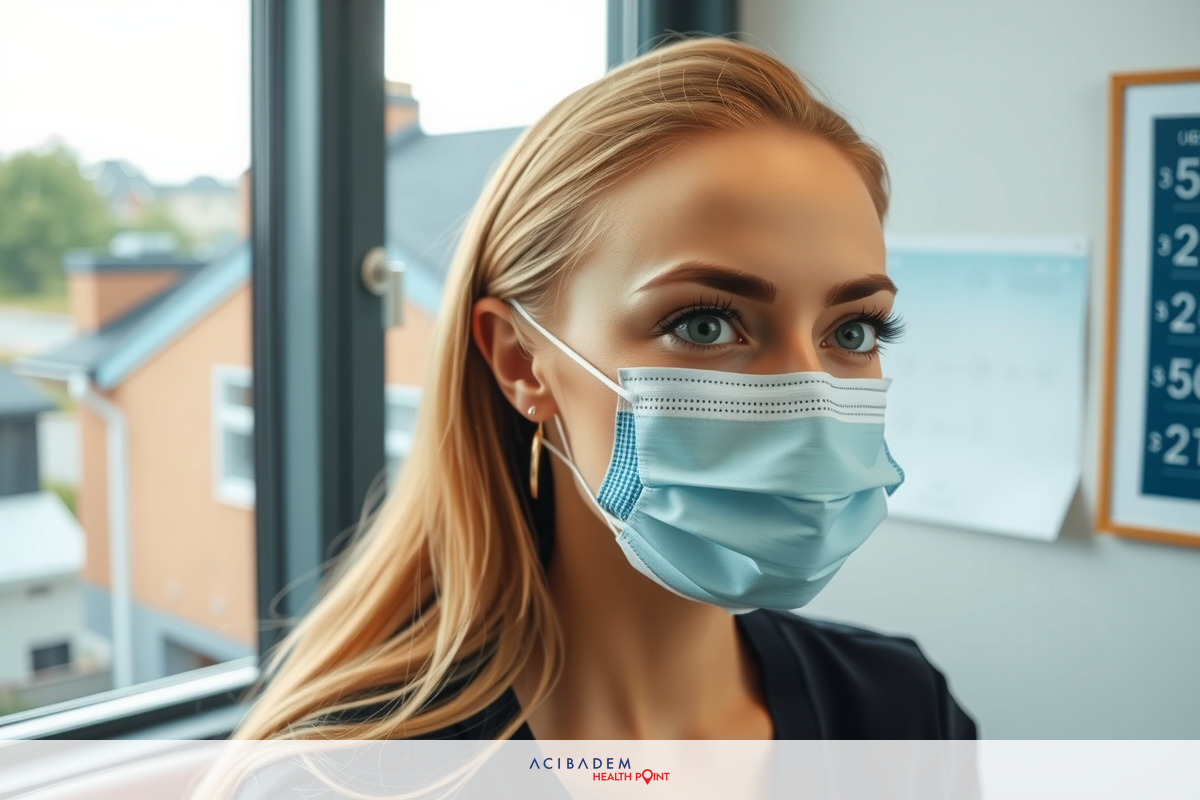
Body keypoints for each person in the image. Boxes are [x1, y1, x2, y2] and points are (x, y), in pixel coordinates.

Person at [231, 35, 976, 742]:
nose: (810, 404)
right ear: (522, 363)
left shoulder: (903, 709)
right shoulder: (351, 776)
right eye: (708, 324)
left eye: (852, 332)